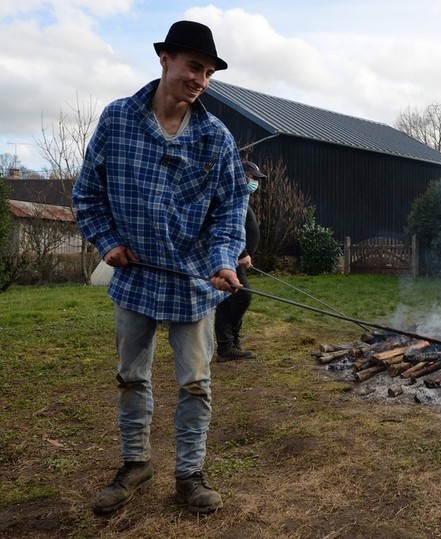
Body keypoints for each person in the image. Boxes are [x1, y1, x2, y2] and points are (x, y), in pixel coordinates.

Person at [72, 20, 247, 515]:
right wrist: (107, 241)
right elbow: (87, 194)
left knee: (195, 382)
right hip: (134, 277)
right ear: (165, 59)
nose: (201, 79)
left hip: (193, 283)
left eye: (209, 72)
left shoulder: (216, 137)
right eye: (195, 66)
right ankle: (135, 463)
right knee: (131, 377)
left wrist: (221, 261)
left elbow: (230, 211)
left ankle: (190, 474)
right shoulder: (117, 120)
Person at [214, 161, 265, 361]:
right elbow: (228, 226)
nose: (255, 183)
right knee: (238, 297)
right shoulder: (230, 195)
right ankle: (226, 346)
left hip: (238, 259)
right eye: (252, 178)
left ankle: (232, 342)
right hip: (230, 257)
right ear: (242, 175)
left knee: (237, 298)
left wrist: (246, 255)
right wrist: (243, 252)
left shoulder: (242, 198)